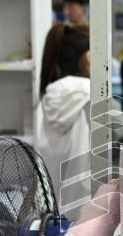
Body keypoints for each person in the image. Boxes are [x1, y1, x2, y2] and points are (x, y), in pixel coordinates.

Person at [36, 22, 92, 217]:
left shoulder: (51, 96)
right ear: (89, 58)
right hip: (87, 216)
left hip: (50, 214)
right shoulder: (93, 96)